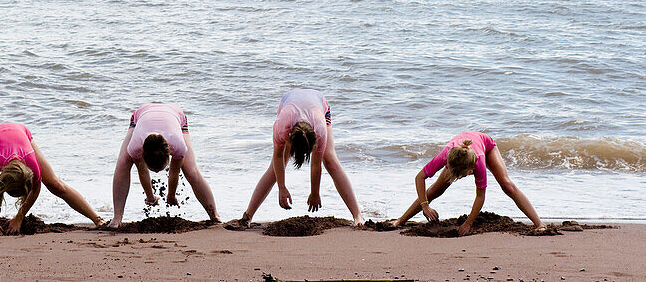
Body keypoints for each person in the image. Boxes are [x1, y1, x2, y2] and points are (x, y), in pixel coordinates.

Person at [232, 88, 365, 228]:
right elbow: (277, 157)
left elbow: (316, 165)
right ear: (289, 138)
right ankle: (247, 217)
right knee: (276, 167)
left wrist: (315, 193)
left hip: (320, 107)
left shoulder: (320, 130)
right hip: (288, 105)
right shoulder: (282, 126)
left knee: (330, 161)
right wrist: (282, 188)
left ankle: (358, 215)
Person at [392, 131, 546, 234]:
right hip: (460, 158)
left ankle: (539, 224)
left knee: (507, 185)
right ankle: (401, 220)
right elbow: (420, 178)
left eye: (463, 175)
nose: (459, 178)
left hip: (487, 146)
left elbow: (480, 196)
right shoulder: (445, 155)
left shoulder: (479, 162)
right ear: (448, 164)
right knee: (434, 191)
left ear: (471, 169)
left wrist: (468, 223)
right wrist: (425, 205)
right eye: (456, 174)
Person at [109, 103, 220, 227]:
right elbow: (142, 171)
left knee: (191, 170)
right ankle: (117, 218)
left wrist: (171, 196)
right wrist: (150, 197)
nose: (156, 172)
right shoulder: (135, 146)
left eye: (158, 169)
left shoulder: (178, 145)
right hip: (141, 114)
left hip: (176, 116)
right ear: (143, 155)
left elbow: (174, 171)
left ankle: (214, 216)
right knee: (123, 162)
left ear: (169, 155)